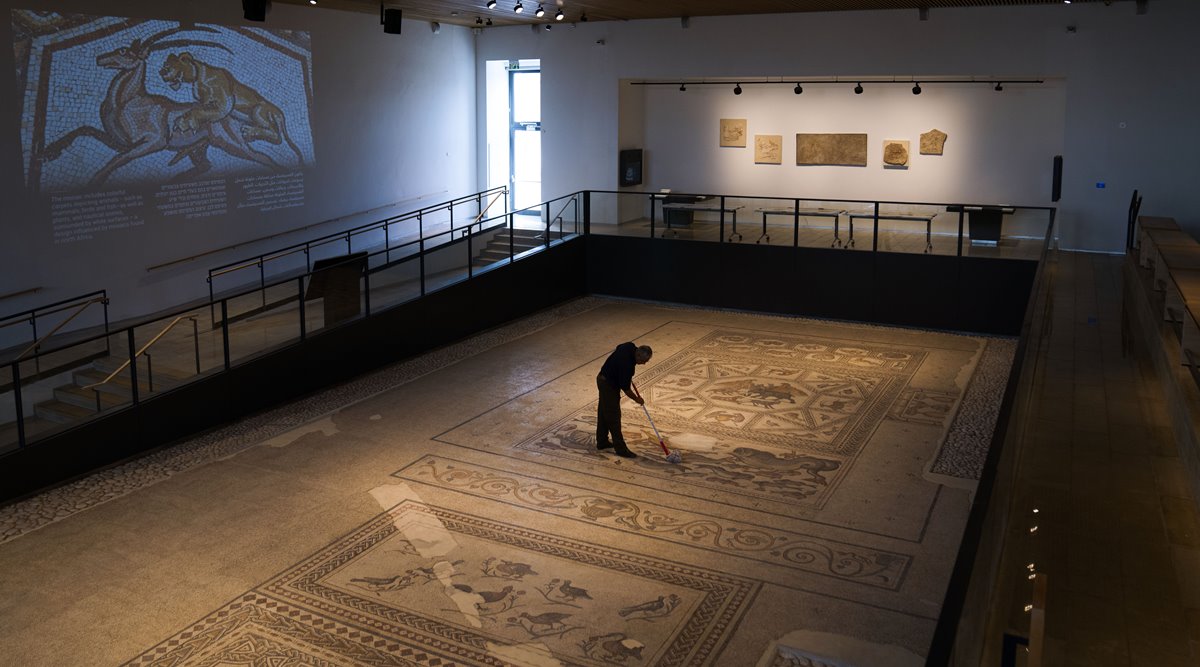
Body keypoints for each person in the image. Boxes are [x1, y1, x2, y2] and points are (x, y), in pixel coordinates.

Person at [596, 342, 653, 458]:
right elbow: (626, 389)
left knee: (604, 412)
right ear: (638, 355)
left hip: (602, 378)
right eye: (643, 360)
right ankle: (621, 449)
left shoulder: (629, 346)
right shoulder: (627, 366)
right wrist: (637, 399)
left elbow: (618, 347)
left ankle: (602, 441)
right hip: (608, 386)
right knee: (614, 417)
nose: (644, 363)